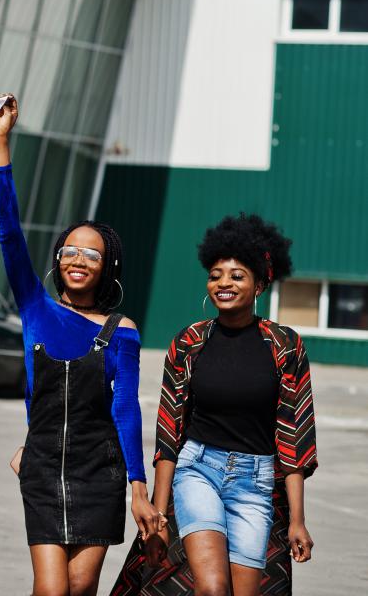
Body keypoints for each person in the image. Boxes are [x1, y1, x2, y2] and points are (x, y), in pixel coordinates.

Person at [0, 96, 163, 596]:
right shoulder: (36, 309)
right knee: (52, 590)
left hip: (100, 473)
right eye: (70, 250)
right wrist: (2, 143)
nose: (78, 259)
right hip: (42, 468)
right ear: (58, 259)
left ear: (107, 266)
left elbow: (125, 408)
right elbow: (8, 232)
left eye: (92, 253)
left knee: (82, 588)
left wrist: (137, 486)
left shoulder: (122, 329)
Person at [109, 213, 318, 596]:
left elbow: (295, 436)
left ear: (259, 284)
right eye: (216, 274)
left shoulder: (284, 345)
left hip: (256, 481)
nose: (224, 282)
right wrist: (157, 512)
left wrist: (298, 521)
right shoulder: (189, 342)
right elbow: (169, 431)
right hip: (197, 471)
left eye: (237, 276)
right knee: (211, 587)